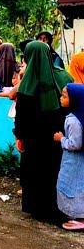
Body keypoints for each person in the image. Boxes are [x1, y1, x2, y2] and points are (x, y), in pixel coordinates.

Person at [14, 41, 73, 224]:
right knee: (53, 169)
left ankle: (36, 208)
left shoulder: (27, 82)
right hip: (57, 134)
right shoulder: (64, 77)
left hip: (33, 137)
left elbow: (21, 115)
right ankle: (55, 207)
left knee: (34, 170)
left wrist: (20, 136)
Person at [53, 83, 84, 231]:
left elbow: (76, 144)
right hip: (75, 161)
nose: (61, 98)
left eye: (64, 96)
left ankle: (80, 218)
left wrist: (61, 139)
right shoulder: (78, 116)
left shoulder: (73, 121)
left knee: (73, 187)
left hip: (74, 161)